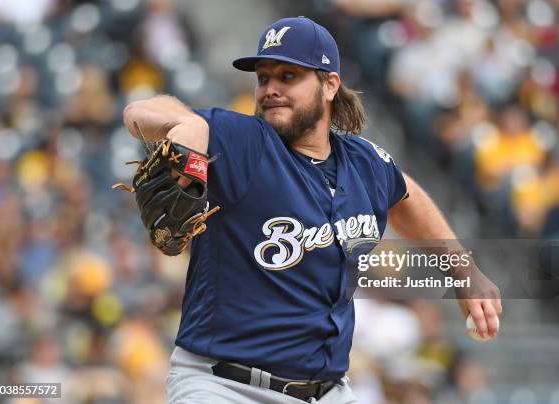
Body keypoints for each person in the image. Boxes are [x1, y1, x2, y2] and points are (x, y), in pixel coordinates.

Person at [122, 16, 502, 404]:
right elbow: (137, 113)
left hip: (327, 392)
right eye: (264, 77)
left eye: (288, 76)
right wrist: (186, 123)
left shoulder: (364, 163)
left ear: (329, 84)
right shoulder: (243, 142)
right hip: (224, 386)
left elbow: (406, 196)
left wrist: (462, 269)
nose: (271, 89)